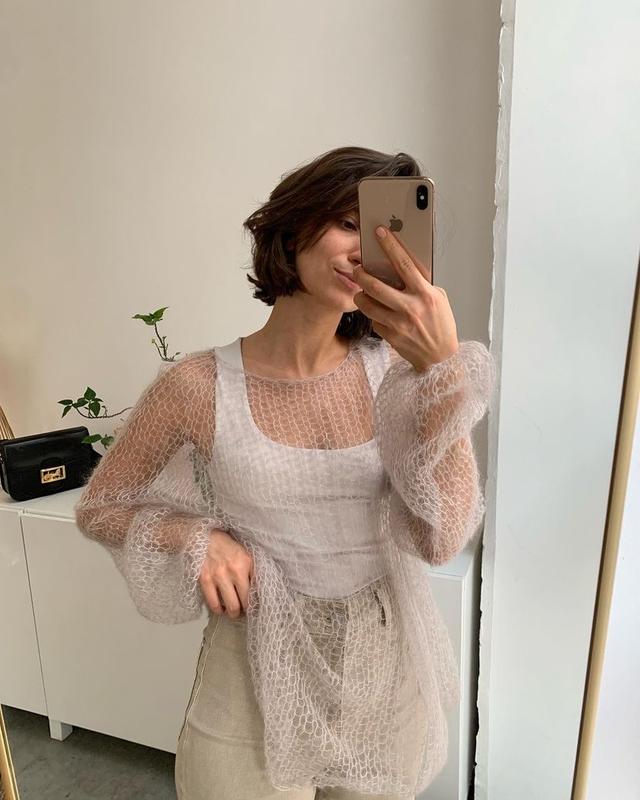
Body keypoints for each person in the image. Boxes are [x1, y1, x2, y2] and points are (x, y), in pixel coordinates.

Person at [74, 146, 497, 800]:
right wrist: (198, 539)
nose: (365, 251)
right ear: (294, 228)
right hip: (250, 674)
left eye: (385, 234)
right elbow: (101, 506)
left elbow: (440, 538)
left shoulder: (401, 374)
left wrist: (441, 374)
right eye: (349, 224)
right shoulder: (197, 385)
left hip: (383, 674)